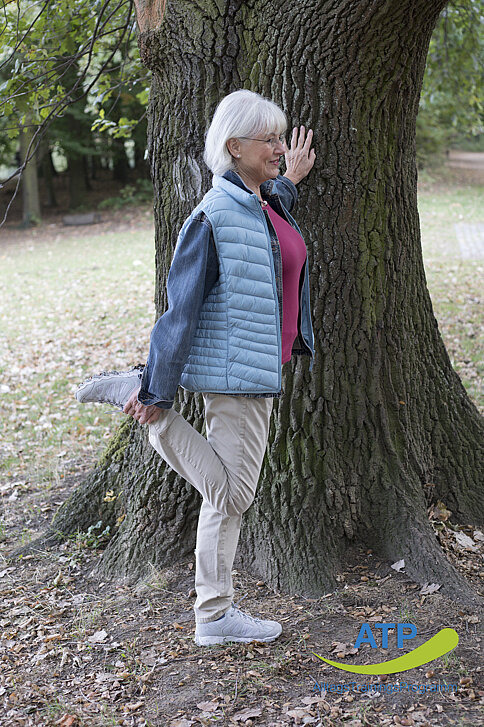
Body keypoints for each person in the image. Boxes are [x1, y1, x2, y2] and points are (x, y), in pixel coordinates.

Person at [76, 89, 316, 646]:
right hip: (236, 375)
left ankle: (214, 614)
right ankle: (145, 405)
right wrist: (158, 393)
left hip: (255, 366)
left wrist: (288, 182)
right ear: (233, 147)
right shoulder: (211, 217)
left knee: (224, 497)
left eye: (281, 137)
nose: (280, 147)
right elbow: (180, 310)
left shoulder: (258, 202)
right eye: (269, 140)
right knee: (233, 496)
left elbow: (267, 229)